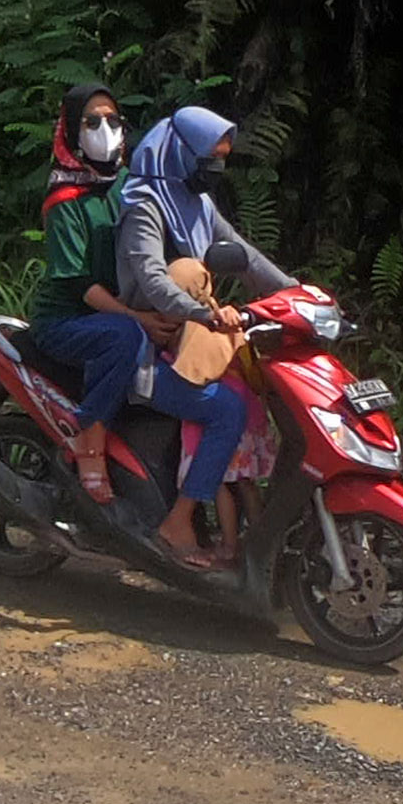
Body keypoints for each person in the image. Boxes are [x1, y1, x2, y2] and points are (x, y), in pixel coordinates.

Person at [113, 106, 294, 569]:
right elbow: (153, 279)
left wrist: (298, 294)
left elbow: (245, 256)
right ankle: (178, 520)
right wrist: (201, 313)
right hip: (144, 343)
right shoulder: (144, 206)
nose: (215, 169)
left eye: (221, 159)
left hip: (189, 337)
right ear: (181, 152)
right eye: (208, 158)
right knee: (226, 409)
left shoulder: (196, 204)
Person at [23, 85, 144, 501]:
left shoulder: (129, 184)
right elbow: (79, 284)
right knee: (127, 337)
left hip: (118, 308)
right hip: (67, 319)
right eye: (92, 122)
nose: (105, 130)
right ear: (73, 131)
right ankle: (89, 442)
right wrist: (137, 317)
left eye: (114, 121)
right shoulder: (65, 200)